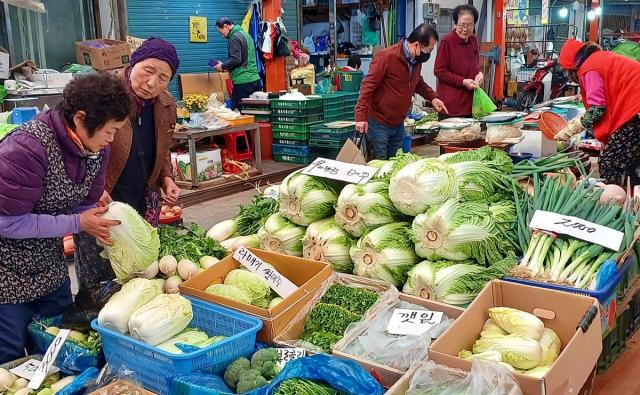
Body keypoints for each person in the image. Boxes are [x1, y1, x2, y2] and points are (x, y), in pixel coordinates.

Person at [0, 73, 131, 363]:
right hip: (6, 274)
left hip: (50, 267)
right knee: (10, 358)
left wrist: (99, 218)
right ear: (81, 119)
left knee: (58, 345)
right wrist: (78, 223)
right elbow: (8, 223)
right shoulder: (26, 148)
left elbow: (84, 203)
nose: (111, 139)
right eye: (109, 130)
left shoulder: (98, 150)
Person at [75, 37, 181, 302]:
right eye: (148, 70)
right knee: (100, 272)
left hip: (145, 196)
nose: (152, 83)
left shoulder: (166, 104)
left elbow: (164, 147)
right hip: (104, 194)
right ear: (133, 63)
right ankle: (94, 314)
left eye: (163, 77)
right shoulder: (103, 96)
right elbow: (77, 149)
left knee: (140, 270)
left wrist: (166, 177)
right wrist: (91, 188)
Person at [354, 23, 448, 159]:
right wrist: (360, 116)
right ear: (417, 45)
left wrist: (433, 97)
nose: (429, 54)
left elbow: (418, 82)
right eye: (429, 50)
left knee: (394, 163)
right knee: (379, 165)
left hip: (398, 124)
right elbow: (367, 86)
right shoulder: (386, 57)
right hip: (379, 123)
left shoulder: (416, 60)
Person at [555, 39, 640, 186]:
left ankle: (613, 202)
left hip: (635, 111)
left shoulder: (589, 68)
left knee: (610, 163)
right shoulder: (598, 59)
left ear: (572, 68)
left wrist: (573, 128)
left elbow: (597, 109)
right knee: (629, 161)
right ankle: (631, 197)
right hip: (635, 109)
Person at [434, 4, 483, 119]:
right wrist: (462, 82)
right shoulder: (447, 41)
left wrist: (480, 74)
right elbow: (439, 71)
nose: (465, 29)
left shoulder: (473, 40)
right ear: (455, 24)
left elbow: (475, 64)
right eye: (462, 25)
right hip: (451, 107)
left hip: (471, 104)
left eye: (470, 25)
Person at [215, 17, 262, 110]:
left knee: (240, 114)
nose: (222, 36)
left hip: (243, 83)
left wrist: (222, 66)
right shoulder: (246, 35)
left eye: (221, 32)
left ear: (226, 26)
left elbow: (236, 60)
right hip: (255, 80)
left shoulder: (234, 38)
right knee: (255, 113)